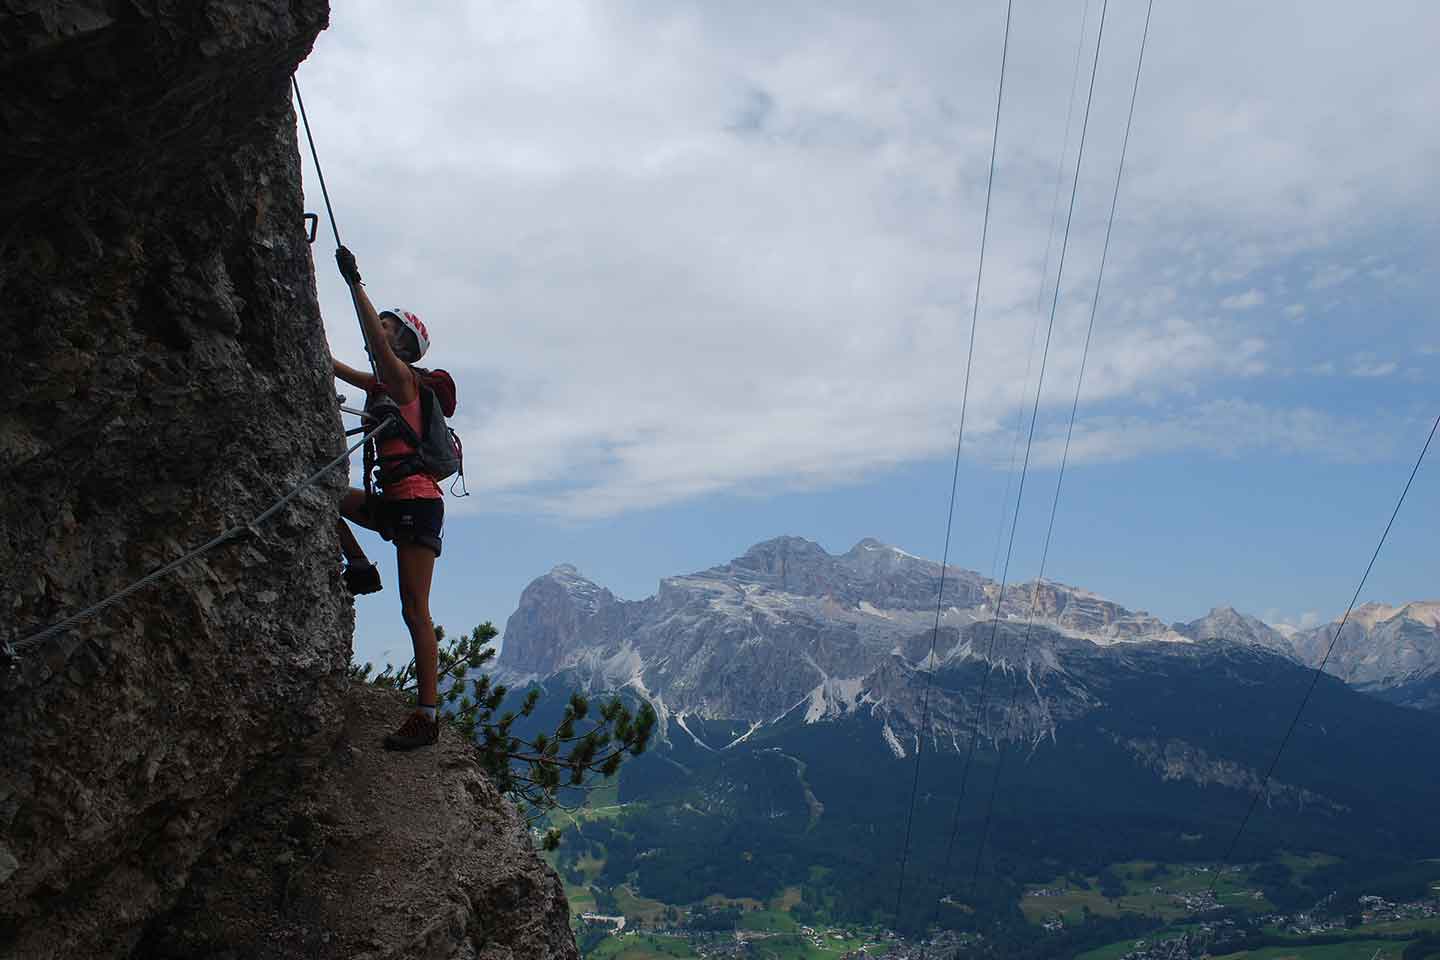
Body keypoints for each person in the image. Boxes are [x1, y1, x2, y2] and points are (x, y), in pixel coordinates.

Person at [330, 245, 443, 751]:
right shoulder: (383, 382)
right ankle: (358, 563)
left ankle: (427, 715)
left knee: (414, 609)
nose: (386, 329)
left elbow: (375, 346)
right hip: (397, 502)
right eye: (388, 324)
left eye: (394, 328)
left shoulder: (403, 381)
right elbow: (333, 365)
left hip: (417, 503)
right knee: (325, 496)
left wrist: (355, 283)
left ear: (409, 348)